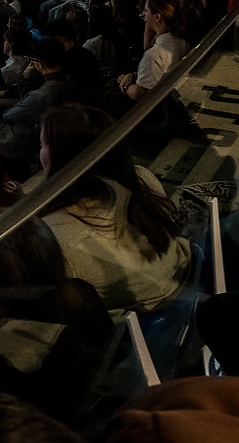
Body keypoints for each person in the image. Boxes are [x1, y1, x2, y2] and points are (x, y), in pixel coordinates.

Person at [36, 104, 192, 315]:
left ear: (62, 159)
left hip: (140, 329)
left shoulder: (55, 235)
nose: (40, 152)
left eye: (43, 144)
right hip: (182, 292)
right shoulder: (142, 179)